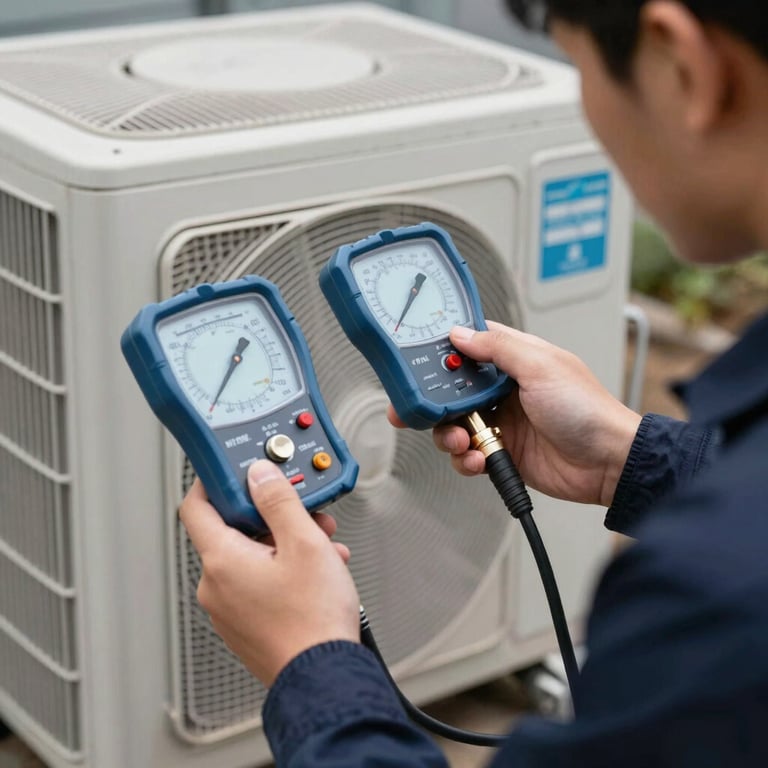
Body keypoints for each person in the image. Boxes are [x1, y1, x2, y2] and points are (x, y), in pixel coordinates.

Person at [179, 1, 768, 765]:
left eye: (577, 66)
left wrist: (311, 664)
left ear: (681, 65)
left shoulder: (713, 595)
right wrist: (637, 457)